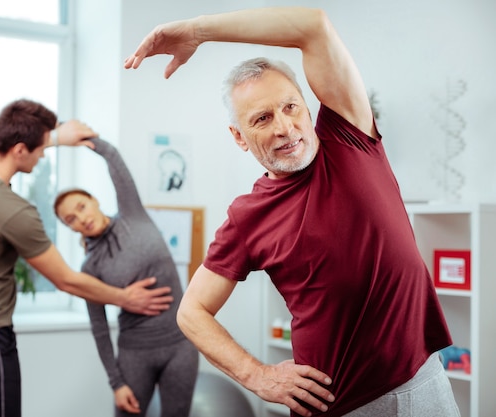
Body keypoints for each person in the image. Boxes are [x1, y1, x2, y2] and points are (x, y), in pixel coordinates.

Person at [124, 7, 459, 417]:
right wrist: (256, 375)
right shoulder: (247, 216)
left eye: (290, 107)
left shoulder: (349, 135)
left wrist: (198, 31)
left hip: (421, 383)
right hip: (338, 406)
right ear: (239, 137)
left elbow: (312, 26)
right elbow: (191, 312)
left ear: (306, 106)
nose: (284, 128)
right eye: (262, 118)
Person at [0, 98, 174, 417]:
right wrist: (125, 298)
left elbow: (14, 147)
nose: (45, 154)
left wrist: (58, 136)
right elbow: (66, 279)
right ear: (20, 149)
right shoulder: (14, 211)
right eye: (41, 148)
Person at [53, 137, 199, 417]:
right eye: (70, 219)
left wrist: (83, 138)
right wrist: (116, 383)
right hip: (135, 353)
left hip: (181, 345)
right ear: (70, 229)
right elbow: (99, 328)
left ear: (94, 200)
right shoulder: (90, 268)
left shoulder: (133, 216)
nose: (80, 218)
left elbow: (114, 159)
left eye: (81, 207)